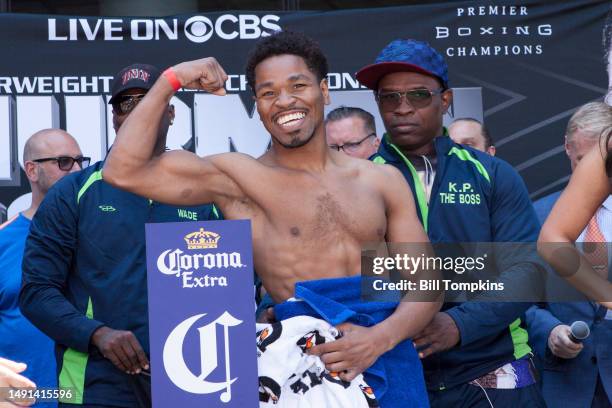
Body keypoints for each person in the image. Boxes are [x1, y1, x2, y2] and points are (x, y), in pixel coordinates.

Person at [102, 31, 442, 407]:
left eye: (297, 85)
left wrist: (378, 340)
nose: (284, 101)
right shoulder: (238, 179)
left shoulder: (382, 180)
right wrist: (174, 78)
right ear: (258, 106)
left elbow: (427, 285)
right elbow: (123, 171)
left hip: (388, 355)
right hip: (303, 368)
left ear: (324, 91)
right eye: (267, 93)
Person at [356, 39, 545, 407]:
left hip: (493, 368)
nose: (403, 108)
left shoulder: (491, 173)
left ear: (445, 100)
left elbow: (528, 271)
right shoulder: (356, 182)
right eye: (389, 98)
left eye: (418, 95)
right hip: (397, 370)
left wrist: (459, 324)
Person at [20, 63, 220, 408]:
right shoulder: (74, 193)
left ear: (170, 113)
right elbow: (36, 292)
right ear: (114, 118)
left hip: (196, 380)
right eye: (127, 105)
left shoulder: (206, 192)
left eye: (149, 102)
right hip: (97, 386)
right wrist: (96, 333)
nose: (138, 113)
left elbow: (247, 275)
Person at [528, 101, 612, 408]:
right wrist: (550, 330)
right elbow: (521, 302)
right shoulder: (536, 217)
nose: (592, 174)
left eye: (602, 163)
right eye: (582, 160)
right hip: (564, 387)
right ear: (566, 147)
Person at [1, 129, 86, 408]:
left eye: (79, 161)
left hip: (96, 398)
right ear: (32, 170)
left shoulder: (106, 237)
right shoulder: (4, 241)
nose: (76, 170)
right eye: (63, 162)